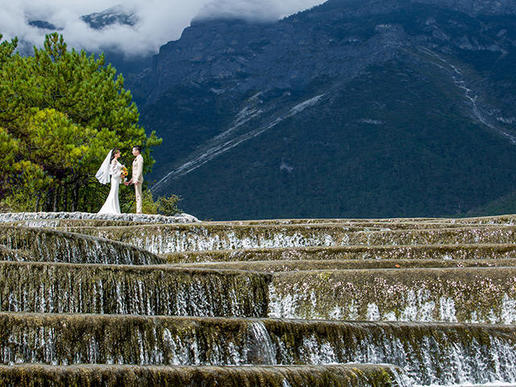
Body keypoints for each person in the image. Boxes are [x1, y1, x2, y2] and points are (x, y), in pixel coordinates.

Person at [96, 148, 124, 215]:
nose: (120, 154)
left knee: (115, 192)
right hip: (114, 179)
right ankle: (111, 208)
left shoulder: (116, 161)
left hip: (117, 179)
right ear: (115, 154)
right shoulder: (114, 161)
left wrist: (121, 174)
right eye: (118, 153)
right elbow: (112, 172)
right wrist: (120, 173)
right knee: (113, 192)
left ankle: (115, 209)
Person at [125, 146, 144, 214]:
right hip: (135, 179)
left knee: (138, 195)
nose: (132, 152)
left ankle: (139, 211)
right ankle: (138, 210)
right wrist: (131, 180)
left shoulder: (140, 158)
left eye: (133, 150)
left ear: (137, 151)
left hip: (138, 180)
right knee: (137, 195)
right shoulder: (136, 158)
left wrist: (137, 179)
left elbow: (139, 169)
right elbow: (135, 171)